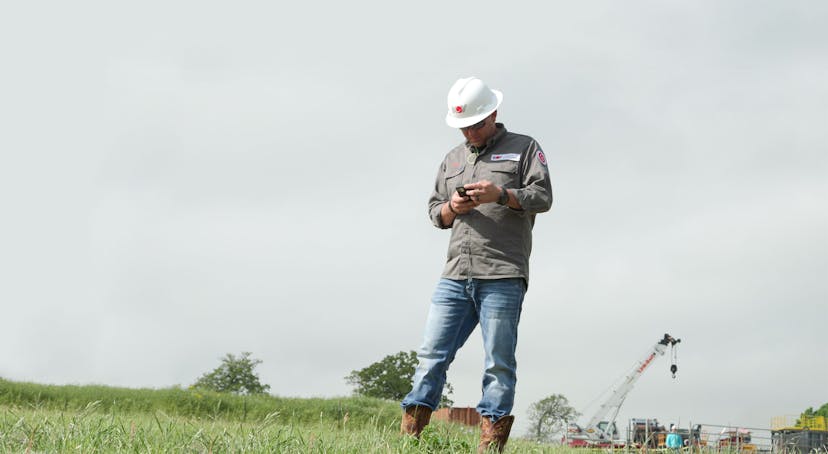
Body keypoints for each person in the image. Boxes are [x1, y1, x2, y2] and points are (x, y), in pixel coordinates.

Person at [399, 77, 553, 453]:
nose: (470, 131)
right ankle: (409, 439)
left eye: (476, 124)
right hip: (455, 275)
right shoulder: (451, 159)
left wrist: (501, 194)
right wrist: (453, 207)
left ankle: (489, 446)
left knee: (498, 363)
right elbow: (435, 211)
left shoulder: (525, 148)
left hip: (502, 273)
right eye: (464, 126)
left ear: (494, 114)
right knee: (431, 356)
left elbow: (543, 196)